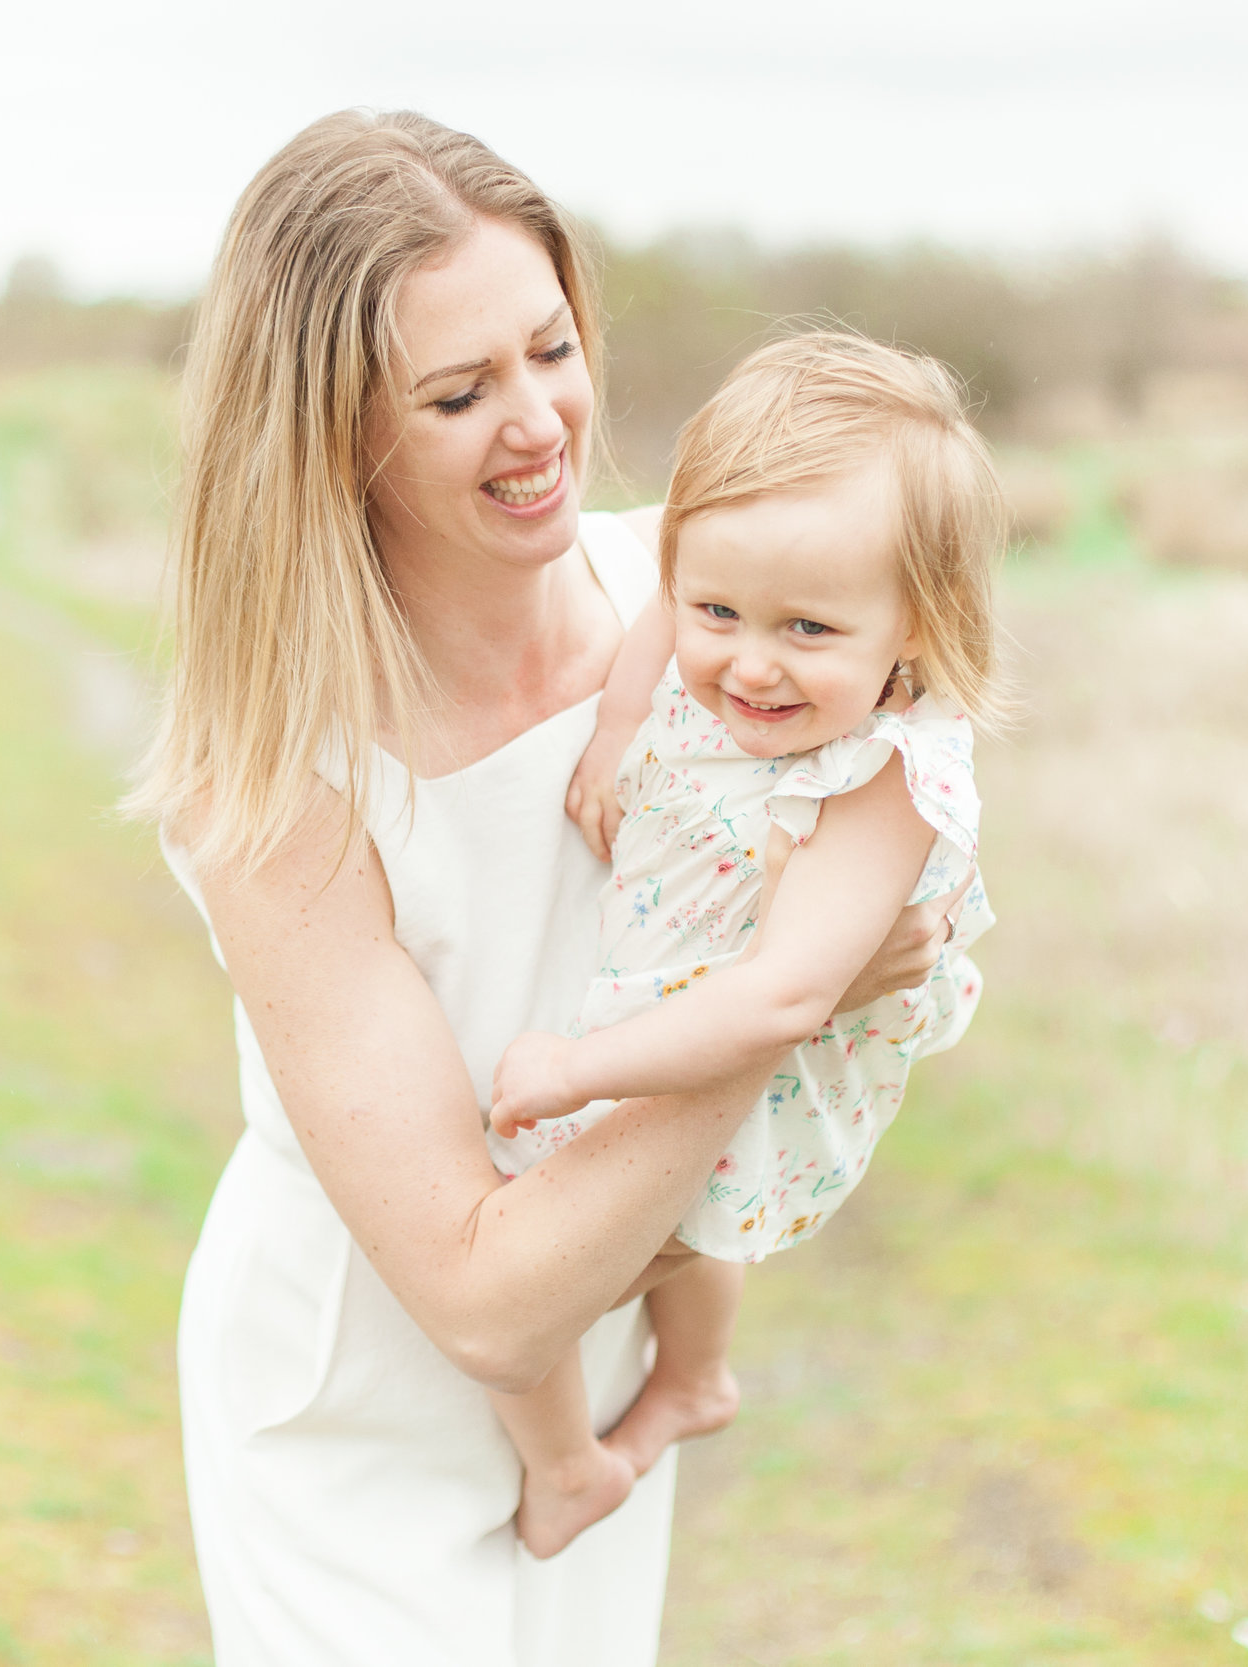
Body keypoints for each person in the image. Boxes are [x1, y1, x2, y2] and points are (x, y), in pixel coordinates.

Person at [128, 111, 962, 1666]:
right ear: (325, 434)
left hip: (604, 1335)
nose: (540, 423)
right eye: (458, 391)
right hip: (361, 1393)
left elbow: (917, 774)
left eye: (552, 349)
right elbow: (480, 1297)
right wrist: (780, 1010)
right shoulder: (273, 772)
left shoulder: (713, 611)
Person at [476, 331, 1005, 1558]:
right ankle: (695, 1375)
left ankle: (565, 1465)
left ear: (917, 627)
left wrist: (578, 1068)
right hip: (693, 987)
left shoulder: (887, 773)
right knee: (690, 1211)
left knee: (529, 1255)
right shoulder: (716, 610)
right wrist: (616, 726)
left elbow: (782, 997)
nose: (747, 663)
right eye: (720, 610)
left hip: (764, 1031)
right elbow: (665, 598)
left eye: (808, 631)